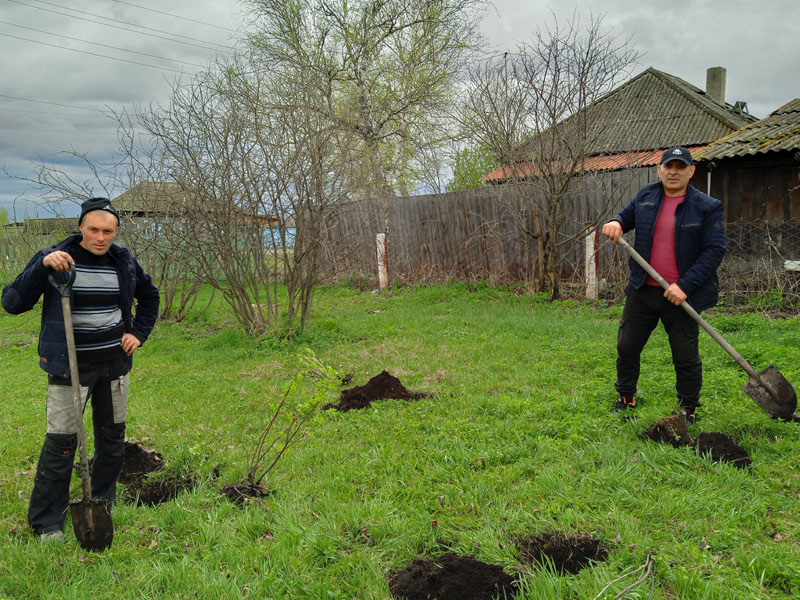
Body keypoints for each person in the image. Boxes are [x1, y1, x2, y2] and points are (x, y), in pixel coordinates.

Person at [2, 197, 159, 541]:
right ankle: (47, 522)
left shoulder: (124, 260)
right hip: (68, 367)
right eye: (93, 230)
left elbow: (150, 296)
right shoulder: (56, 257)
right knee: (61, 444)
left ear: (116, 231)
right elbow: (12, 303)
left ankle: (102, 502)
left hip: (115, 365)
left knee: (113, 439)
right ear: (80, 228)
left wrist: (138, 333)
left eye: (108, 231)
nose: (101, 237)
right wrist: (40, 266)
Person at [602, 146, 726, 424]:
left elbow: (714, 251)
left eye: (680, 167)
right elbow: (625, 217)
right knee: (628, 347)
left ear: (691, 172)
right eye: (668, 166)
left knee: (685, 355)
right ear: (659, 170)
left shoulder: (707, 206)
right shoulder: (646, 196)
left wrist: (684, 285)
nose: (673, 172)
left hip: (681, 296)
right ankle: (626, 397)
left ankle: (689, 408)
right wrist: (616, 222)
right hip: (643, 289)